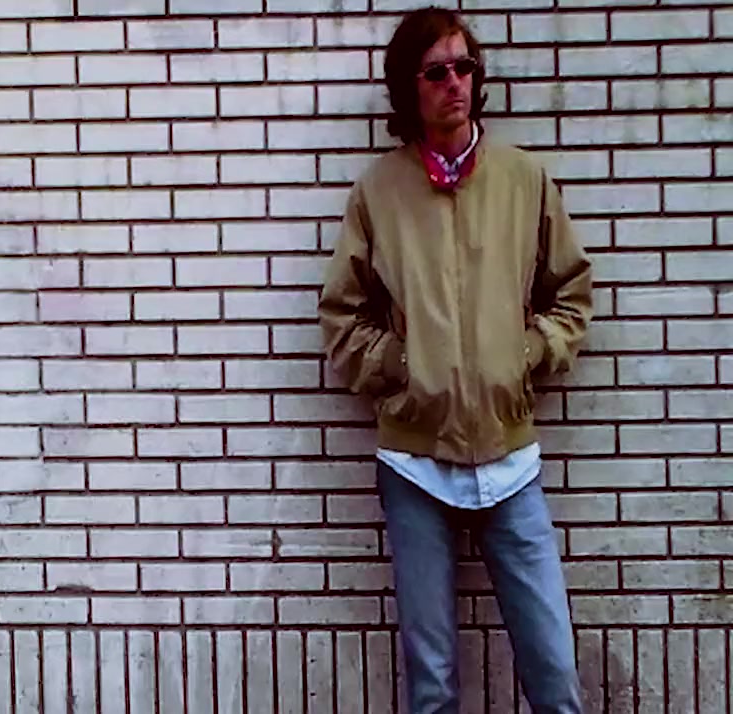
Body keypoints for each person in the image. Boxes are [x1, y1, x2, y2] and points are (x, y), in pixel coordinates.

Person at [318, 6, 594, 713]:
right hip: (415, 463)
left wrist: (526, 353)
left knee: (554, 675)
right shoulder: (379, 192)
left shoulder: (523, 180)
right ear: (408, 88)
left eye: (465, 67)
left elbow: (571, 292)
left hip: (509, 459)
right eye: (436, 71)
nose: (455, 83)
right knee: (433, 684)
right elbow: (343, 316)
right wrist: (403, 367)